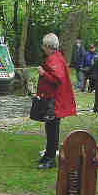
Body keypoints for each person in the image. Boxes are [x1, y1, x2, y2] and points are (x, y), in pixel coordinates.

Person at [37, 33, 77, 169]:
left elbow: (57, 80)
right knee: (51, 128)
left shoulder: (53, 60)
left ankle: (50, 159)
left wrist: (43, 73)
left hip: (54, 102)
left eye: (44, 46)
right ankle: (48, 155)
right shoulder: (57, 57)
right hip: (55, 100)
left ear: (48, 46)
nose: (43, 48)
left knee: (52, 130)